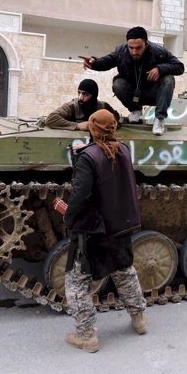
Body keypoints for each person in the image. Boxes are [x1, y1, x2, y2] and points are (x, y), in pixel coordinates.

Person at [63, 109, 147, 353]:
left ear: (92, 129)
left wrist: (69, 218)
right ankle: (139, 320)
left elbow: (80, 195)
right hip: (120, 226)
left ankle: (87, 335)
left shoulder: (89, 157)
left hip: (93, 229)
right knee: (124, 271)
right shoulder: (123, 150)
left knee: (76, 281)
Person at [81, 26, 184, 135]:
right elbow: (106, 62)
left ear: (146, 43)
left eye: (138, 47)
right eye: (131, 47)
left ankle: (159, 118)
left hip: (153, 93)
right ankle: (135, 110)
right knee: (118, 84)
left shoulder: (159, 52)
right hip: (133, 94)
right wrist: (93, 63)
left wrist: (160, 69)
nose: (134, 51)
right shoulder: (121, 51)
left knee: (168, 79)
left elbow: (179, 67)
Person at [45, 79, 120, 131]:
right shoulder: (72, 107)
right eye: (79, 93)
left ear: (94, 96)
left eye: (85, 94)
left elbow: (116, 119)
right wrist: (77, 126)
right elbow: (51, 119)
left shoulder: (103, 107)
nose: (80, 98)